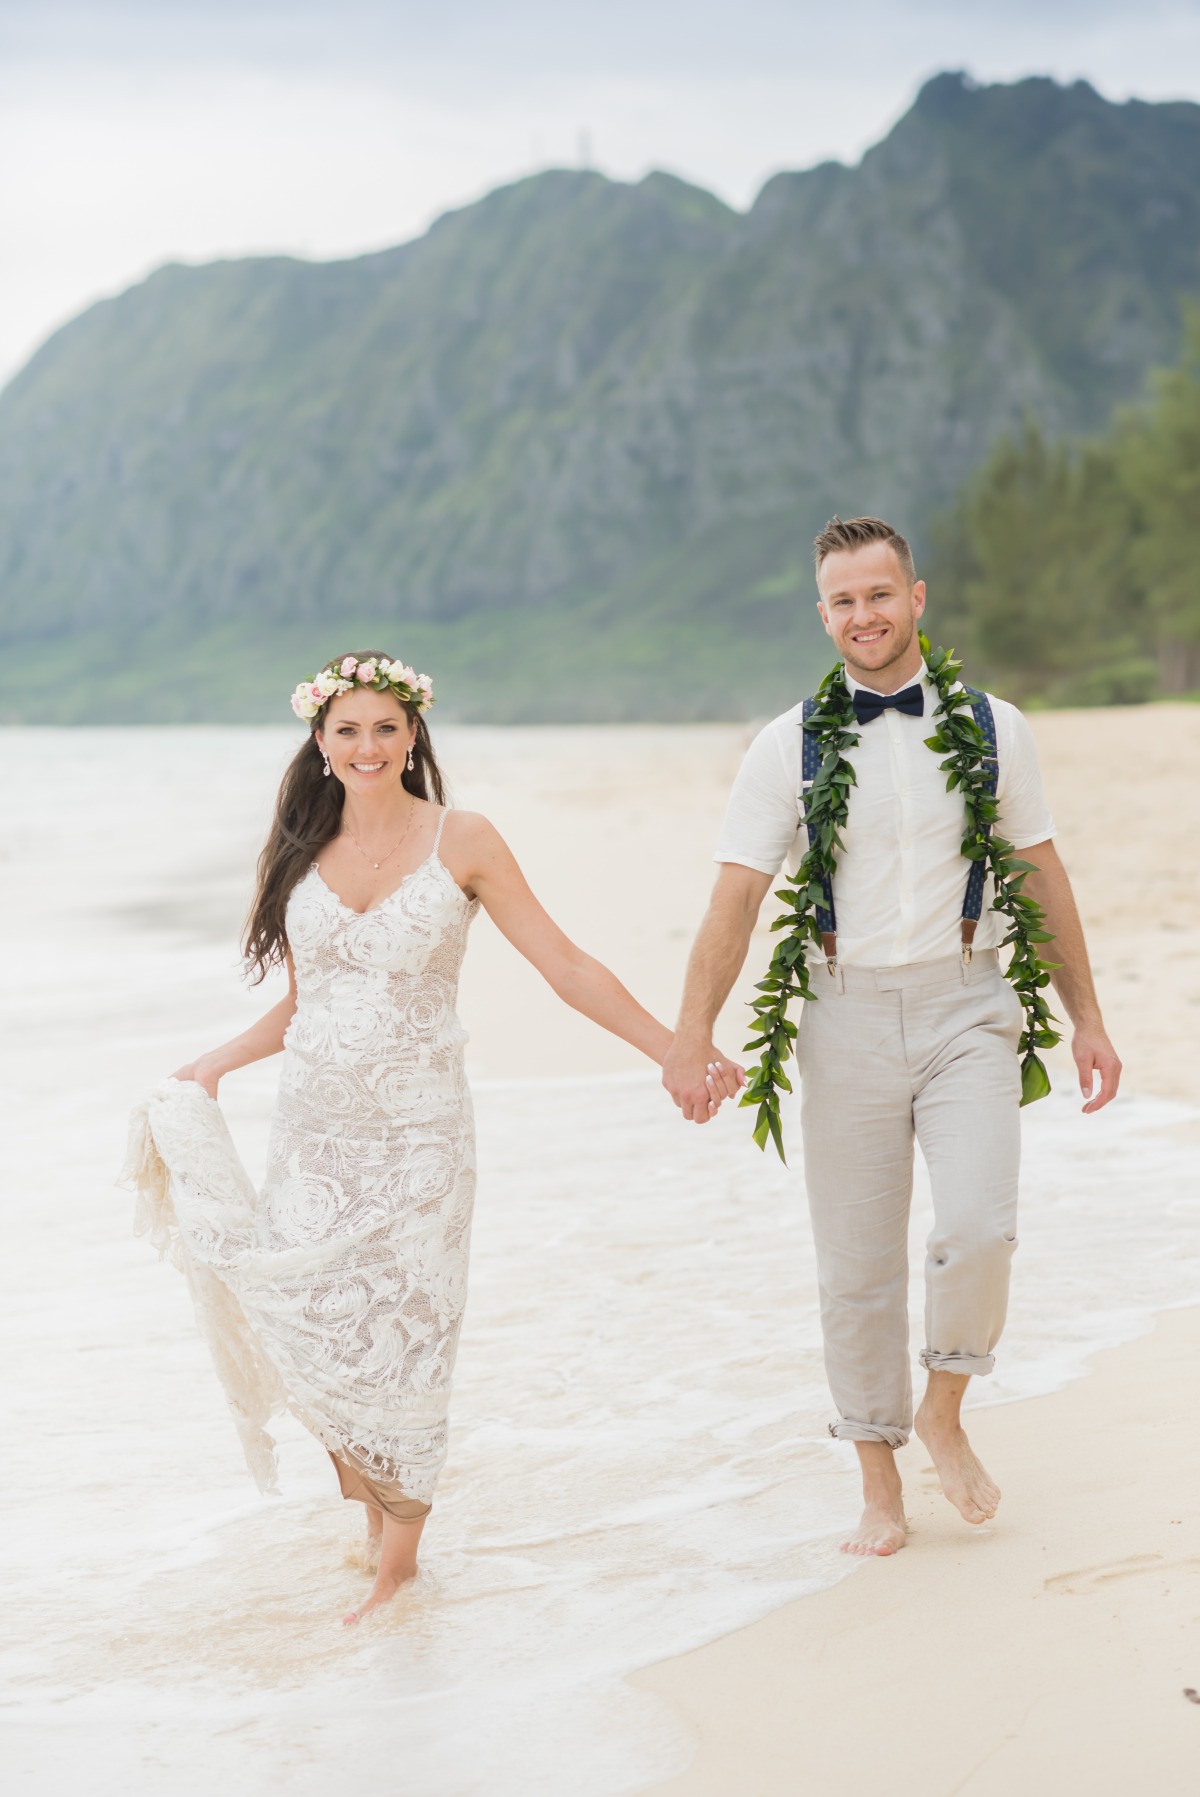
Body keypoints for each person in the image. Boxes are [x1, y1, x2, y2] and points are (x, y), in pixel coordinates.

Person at [135, 650, 743, 1624]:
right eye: (347, 730)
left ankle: (399, 1562)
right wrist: (212, 1064)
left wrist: (675, 1048)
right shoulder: (304, 848)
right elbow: (301, 1006)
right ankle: (373, 1515)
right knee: (317, 1326)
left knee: (409, 1341)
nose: (367, 746)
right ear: (320, 743)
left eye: (385, 727)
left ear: (413, 734)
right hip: (315, 1141)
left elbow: (566, 966)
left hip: (420, 1144)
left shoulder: (465, 839)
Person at [662, 517, 1121, 1557]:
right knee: (857, 1264)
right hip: (845, 1012)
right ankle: (876, 1481)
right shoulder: (787, 745)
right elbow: (735, 901)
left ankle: (944, 1407)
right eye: (843, 600)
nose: (863, 615)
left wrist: (1088, 1016)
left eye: (880, 594)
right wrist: (691, 1036)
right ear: (822, 614)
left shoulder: (997, 728)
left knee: (980, 1225)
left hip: (971, 1003)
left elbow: (1042, 873)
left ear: (917, 598)